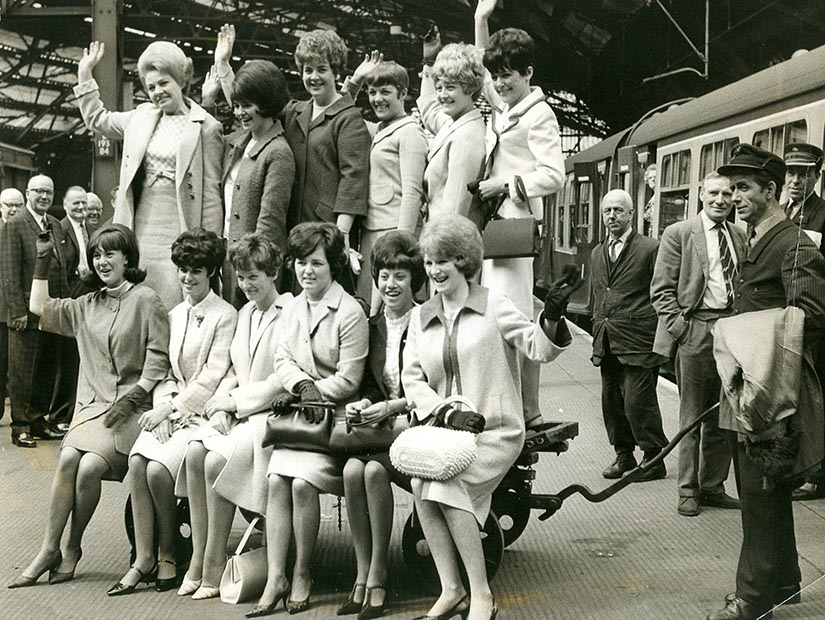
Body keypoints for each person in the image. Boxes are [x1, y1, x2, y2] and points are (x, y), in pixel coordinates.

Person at [401, 214, 575, 620]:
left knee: (446, 488)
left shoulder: (493, 305)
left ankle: (481, 595)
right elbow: (412, 379)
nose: (434, 270)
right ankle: (451, 589)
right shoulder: (421, 314)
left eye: (443, 260)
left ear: (464, 261)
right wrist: (446, 411)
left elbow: (539, 349)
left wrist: (550, 316)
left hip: (495, 431)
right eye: (428, 262)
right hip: (444, 433)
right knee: (419, 485)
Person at [7, 224, 169, 588]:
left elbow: (158, 362)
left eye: (110, 253)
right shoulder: (87, 304)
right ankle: (53, 549)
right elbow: (39, 307)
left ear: (128, 258)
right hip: (90, 409)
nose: (102, 261)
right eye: (96, 254)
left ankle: (71, 547)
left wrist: (132, 399)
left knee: (90, 465)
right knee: (69, 460)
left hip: (129, 411)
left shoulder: (147, 300)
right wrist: (43, 260)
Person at [706, 144, 825, 620]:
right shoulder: (758, 238)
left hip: (771, 391)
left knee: (757, 493)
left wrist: (738, 335)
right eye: (732, 187)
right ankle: (785, 582)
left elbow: (812, 316)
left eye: (743, 188)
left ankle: (753, 598)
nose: (735, 196)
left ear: (769, 190)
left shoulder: (794, 243)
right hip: (752, 385)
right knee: (767, 488)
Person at [107, 228, 236, 596]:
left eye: (196, 270)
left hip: (200, 417)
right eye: (182, 269)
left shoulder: (224, 314)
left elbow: (213, 374)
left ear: (211, 272)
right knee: (137, 463)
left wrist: (174, 411)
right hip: (171, 411)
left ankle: (168, 554)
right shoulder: (174, 312)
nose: (187, 277)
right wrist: (163, 405)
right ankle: (143, 558)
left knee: (160, 471)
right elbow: (162, 369)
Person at [250, 222, 368, 617]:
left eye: (316, 263)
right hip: (300, 416)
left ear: (333, 265)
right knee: (275, 480)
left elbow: (350, 377)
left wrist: (318, 394)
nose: (307, 271)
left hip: (335, 421)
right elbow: (282, 358)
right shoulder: (293, 307)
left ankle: (302, 573)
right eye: (301, 263)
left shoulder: (350, 311)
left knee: (301, 484)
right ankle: (276, 577)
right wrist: (303, 387)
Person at [176, 232, 293, 599]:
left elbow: (282, 381)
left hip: (272, 417)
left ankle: (212, 563)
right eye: (241, 277)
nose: (246, 285)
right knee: (195, 452)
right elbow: (233, 368)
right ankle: (198, 557)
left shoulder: (289, 312)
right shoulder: (245, 312)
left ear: (273, 273)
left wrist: (235, 403)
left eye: (254, 276)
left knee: (214, 463)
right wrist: (223, 403)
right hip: (241, 412)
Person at [73, 40, 224, 310]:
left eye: (164, 83)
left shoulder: (207, 127)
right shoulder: (140, 116)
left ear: (181, 79)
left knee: (173, 302)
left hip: (180, 228)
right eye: (151, 87)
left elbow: (211, 192)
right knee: (136, 300)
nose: (157, 92)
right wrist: (85, 74)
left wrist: (207, 249)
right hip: (140, 226)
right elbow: (99, 119)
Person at [474, 0, 565, 429]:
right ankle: (522, 407)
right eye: (497, 76)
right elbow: (479, 68)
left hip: (515, 226)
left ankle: (524, 410)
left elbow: (554, 174)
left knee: (510, 316)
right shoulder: (507, 105)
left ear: (528, 72)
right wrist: (480, 18)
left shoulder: (539, 114)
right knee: (504, 313)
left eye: (508, 74)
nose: (499, 82)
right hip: (497, 227)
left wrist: (506, 185)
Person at [338, 231, 425, 619]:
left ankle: (378, 574)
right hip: (382, 431)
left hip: (417, 428)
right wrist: (364, 404)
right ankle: (361, 573)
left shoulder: (426, 321)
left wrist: (391, 406)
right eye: (384, 275)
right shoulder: (372, 326)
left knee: (372, 470)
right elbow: (372, 386)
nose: (390, 284)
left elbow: (432, 387)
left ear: (415, 280)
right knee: (353, 468)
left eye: (400, 276)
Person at [651, 172, 745, 517]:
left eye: (727, 193)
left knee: (724, 415)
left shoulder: (737, 234)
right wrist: (683, 330)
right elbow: (661, 289)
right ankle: (687, 489)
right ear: (701, 196)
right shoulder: (679, 234)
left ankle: (712, 486)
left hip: (731, 330)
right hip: (697, 328)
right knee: (691, 417)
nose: (721, 199)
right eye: (714, 193)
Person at [590, 189, 669, 481]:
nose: (612, 216)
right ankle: (624, 455)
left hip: (640, 339)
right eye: (607, 211)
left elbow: (661, 292)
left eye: (618, 211)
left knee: (638, 401)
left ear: (631, 214)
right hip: (607, 339)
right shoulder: (598, 252)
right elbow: (599, 294)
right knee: (611, 401)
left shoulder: (650, 249)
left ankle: (654, 457)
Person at [341, 56, 428, 304]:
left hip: (393, 233)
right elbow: (341, 111)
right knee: (371, 308)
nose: (377, 98)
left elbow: (412, 193)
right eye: (372, 92)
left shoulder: (410, 131)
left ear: (402, 93)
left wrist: (402, 247)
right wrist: (355, 81)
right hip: (371, 232)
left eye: (385, 91)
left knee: (390, 306)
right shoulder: (376, 130)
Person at [211, 52, 295, 308]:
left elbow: (270, 224)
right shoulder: (242, 141)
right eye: (236, 106)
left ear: (267, 102)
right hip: (231, 262)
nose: (239, 113)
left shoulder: (278, 152)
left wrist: (250, 273)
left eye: (247, 106)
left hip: (255, 271)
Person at [0, 174, 69, 448]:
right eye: (38, 191)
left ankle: (39, 421)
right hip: (25, 314)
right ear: (27, 193)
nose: (44, 197)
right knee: (21, 371)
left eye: (48, 192)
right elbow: (9, 271)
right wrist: (16, 312)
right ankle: (20, 427)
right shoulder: (15, 224)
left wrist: (63, 308)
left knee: (46, 368)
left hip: (51, 310)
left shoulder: (54, 224)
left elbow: (61, 268)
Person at [780, 143, 825, 501]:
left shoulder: (823, 214)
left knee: (814, 396)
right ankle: (801, 468)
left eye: (804, 173)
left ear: (816, 176)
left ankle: (817, 475)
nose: (796, 180)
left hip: (815, 324)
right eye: (791, 173)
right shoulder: (783, 212)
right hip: (786, 319)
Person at [417, 40, 486, 221]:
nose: (442, 95)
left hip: (448, 239)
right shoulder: (454, 123)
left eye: (450, 87)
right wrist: (429, 64)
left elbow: (455, 210)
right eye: (439, 87)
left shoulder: (467, 136)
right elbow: (430, 111)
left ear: (470, 88)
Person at [0, 187, 24, 423]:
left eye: (18, 204)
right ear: (1, 207)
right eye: (9, 205)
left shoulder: (23, 229)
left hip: (15, 309)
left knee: (15, 366)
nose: (14, 209)